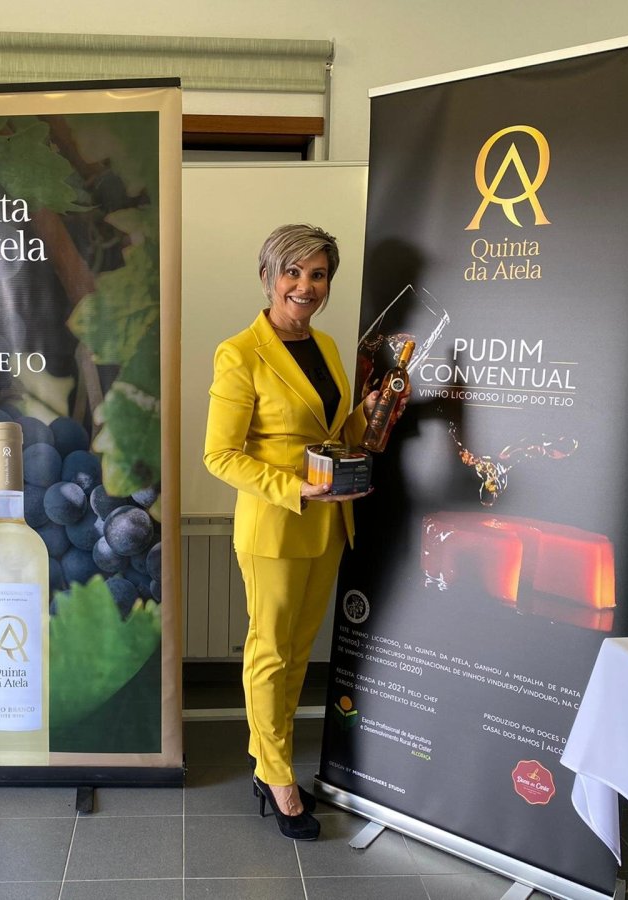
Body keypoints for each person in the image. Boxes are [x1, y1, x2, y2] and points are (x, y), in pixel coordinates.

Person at [204, 223, 390, 840]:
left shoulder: (329, 346)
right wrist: (294, 488)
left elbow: (333, 434)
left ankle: (267, 760)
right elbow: (220, 456)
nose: (305, 286)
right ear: (267, 277)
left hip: (329, 523)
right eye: (293, 272)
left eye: (318, 274)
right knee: (270, 652)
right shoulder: (240, 353)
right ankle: (278, 777)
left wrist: (370, 412)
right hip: (276, 527)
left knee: (297, 654)